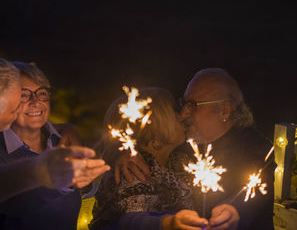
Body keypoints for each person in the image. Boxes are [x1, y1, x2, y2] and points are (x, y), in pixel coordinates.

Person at [0, 57, 110, 229]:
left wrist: (66, 127)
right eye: (15, 109)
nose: (33, 103)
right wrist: (40, 172)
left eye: (42, 93)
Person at [110, 68, 274, 230]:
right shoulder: (184, 146)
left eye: (193, 105)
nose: (184, 113)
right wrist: (123, 152)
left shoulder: (257, 147)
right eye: (185, 103)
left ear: (224, 110)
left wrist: (235, 211)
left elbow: (257, 187)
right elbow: (139, 135)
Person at [0, 61, 83, 229]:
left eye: (41, 93)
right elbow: (13, 203)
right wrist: (64, 182)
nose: (35, 101)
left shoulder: (63, 142)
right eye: (24, 95)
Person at [90, 87, 196, 230]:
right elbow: (128, 222)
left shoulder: (181, 163)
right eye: (173, 112)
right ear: (155, 134)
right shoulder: (131, 171)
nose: (181, 116)